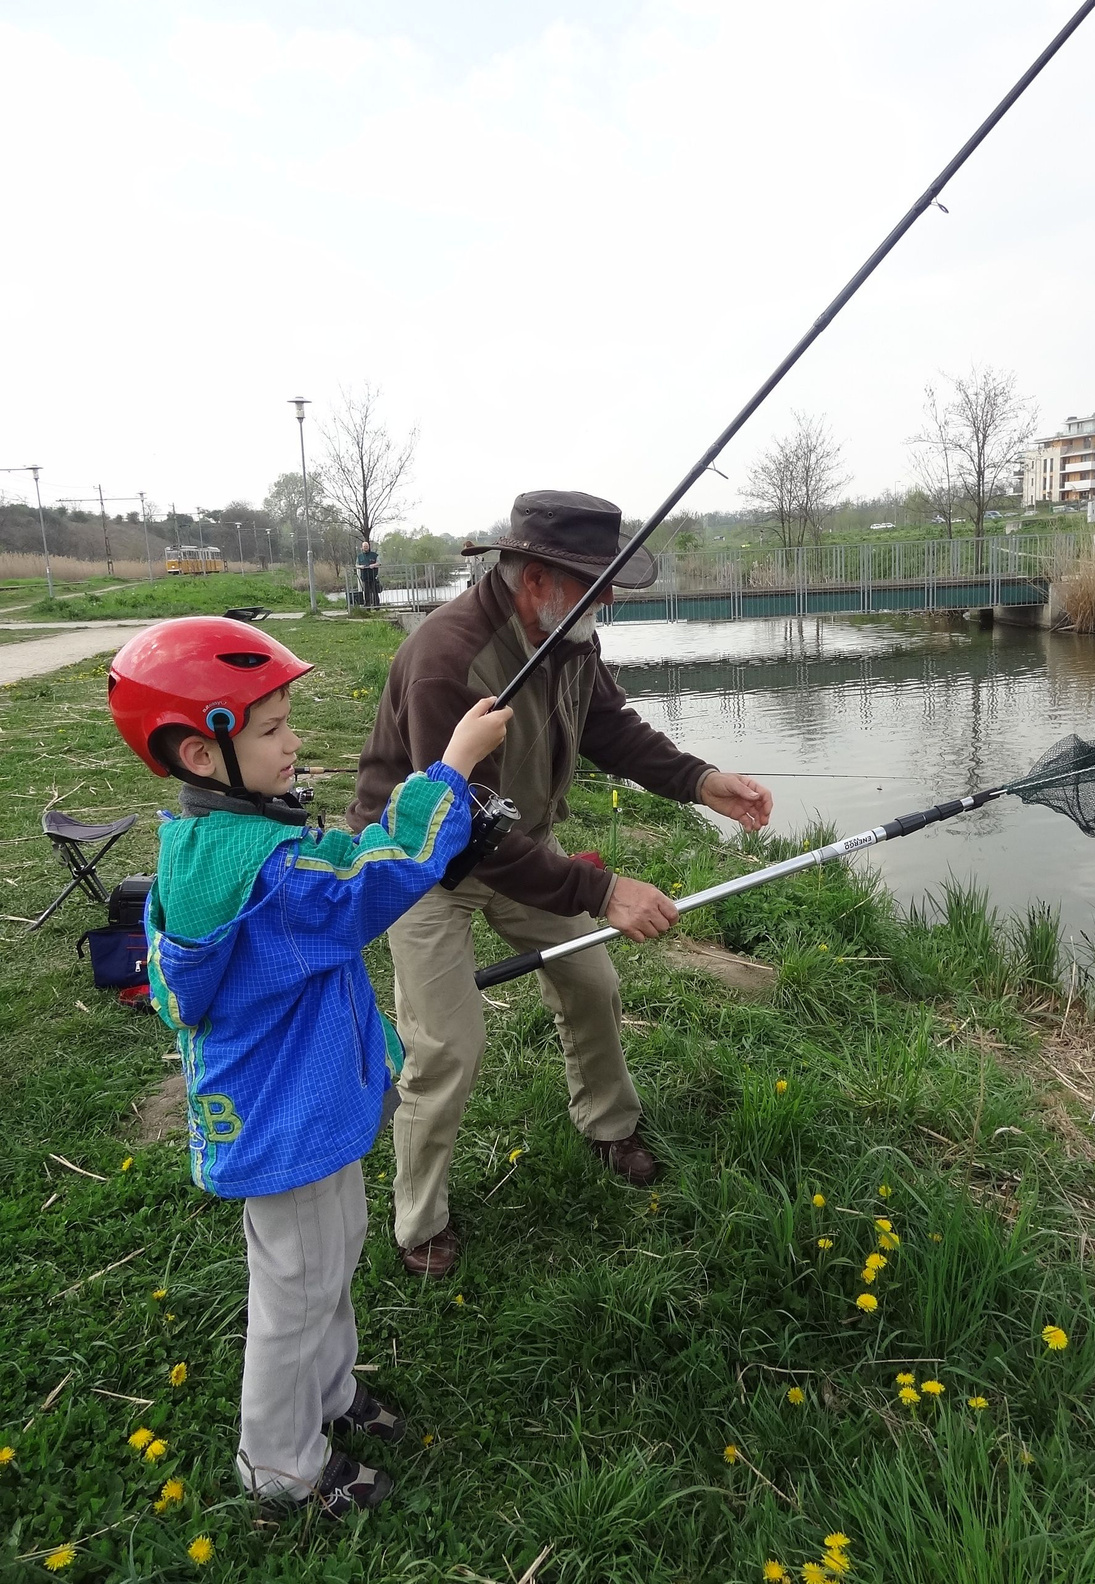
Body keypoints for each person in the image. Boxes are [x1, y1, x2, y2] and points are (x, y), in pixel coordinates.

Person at [107, 616, 510, 1518]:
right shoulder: (269, 880)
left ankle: (330, 1396)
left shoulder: (229, 841)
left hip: (305, 1104)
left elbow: (330, 853)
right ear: (201, 755)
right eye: (270, 729)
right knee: (293, 1290)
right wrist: (452, 768)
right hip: (281, 1115)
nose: (294, 742)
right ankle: (280, 1463)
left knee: (332, 1259)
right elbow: (377, 875)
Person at [349, 490, 773, 1278]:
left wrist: (700, 781)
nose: (608, 597)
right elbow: (459, 833)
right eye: (594, 580)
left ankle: (609, 1127)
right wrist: (601, 893)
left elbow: (610, 727)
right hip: (421, 868)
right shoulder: (448, 660)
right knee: (446, 1045)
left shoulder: (569, 634)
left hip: (518, 845)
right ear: (534, 576)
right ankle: (419, 1222)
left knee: (590, 977)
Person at [357, 539, 380, 607]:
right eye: (364, 546)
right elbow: (356, 565)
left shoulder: (374, 555)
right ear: (362, 547)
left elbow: (379, 563)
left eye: (366, 546)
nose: (365, 547)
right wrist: (360, 566)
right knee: (366, 593)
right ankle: (367, 606)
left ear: (369, 547)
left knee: (375, 592)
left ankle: (377, 606)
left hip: (373, 577)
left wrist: (374, 565)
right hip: (364, 577)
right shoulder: (359, 556)